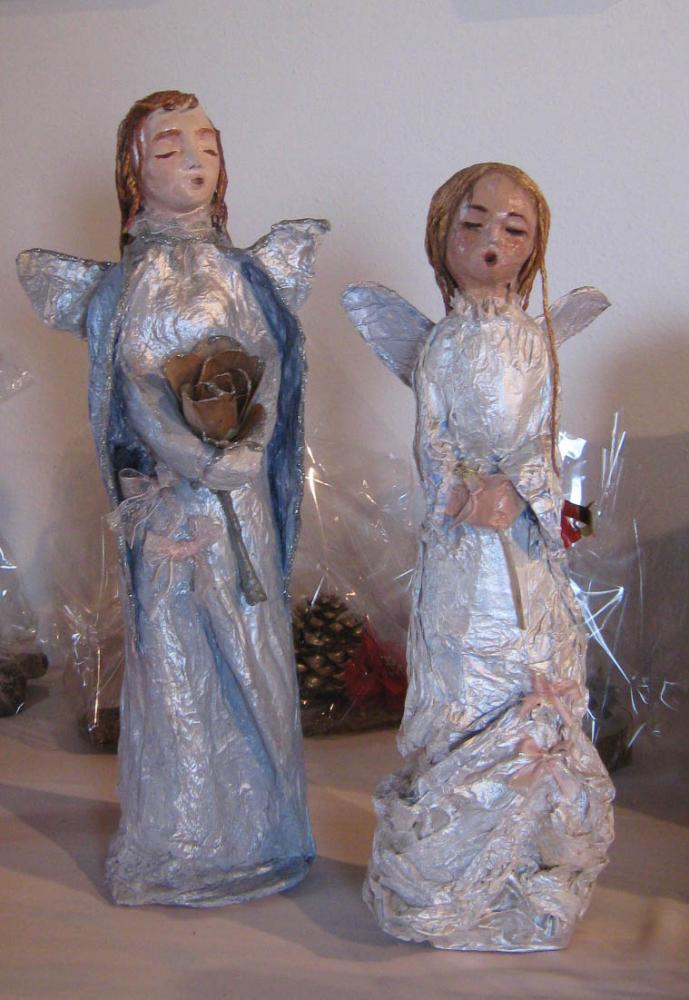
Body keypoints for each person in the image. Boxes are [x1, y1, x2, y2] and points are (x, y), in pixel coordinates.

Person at [18, 90, 328, 907]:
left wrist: (247, 449)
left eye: (208, 146)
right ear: (132, 172)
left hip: (241, 502)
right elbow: (135, 386)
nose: (194, 161)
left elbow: (270, 366)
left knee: (254, 649)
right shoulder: (131, 284)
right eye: (168, 149)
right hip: (174, 506)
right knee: (181, 662)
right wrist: (195, 456)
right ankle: (183, 843)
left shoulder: (243, 274)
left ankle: (263, 832)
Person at [342, 162, 614, 950]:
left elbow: (541, 441)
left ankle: (525, 871)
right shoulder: (440, 347)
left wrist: (521, 491)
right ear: (441, 237)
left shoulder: (535, 343)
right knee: (467, 684)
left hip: (523, 548)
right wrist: (460, 495)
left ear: (533, 248)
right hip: (463, 554)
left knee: (534, 678)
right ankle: (449, 882)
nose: (490, 241)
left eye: (512, 228)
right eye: (472, 224)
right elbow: (430, 440)